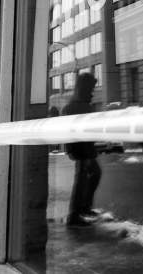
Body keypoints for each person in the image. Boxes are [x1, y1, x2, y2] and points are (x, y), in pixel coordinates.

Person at [63, 72, 102, 228]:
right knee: (82, 180)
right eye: (91, 87)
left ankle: (83, 209)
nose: (93, 91)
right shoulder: (76, 105)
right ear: (85, 87)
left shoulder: (80, 103)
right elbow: (72, 131)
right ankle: (75, 214)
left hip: (85, 149)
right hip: (82, 149)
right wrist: (76, 151)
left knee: (90, 176)